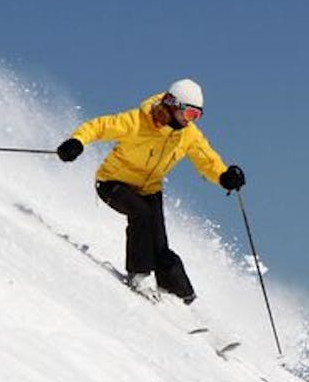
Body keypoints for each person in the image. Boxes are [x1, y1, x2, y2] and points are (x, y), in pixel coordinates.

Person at [56, 79, 245, 304]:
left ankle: (181, 295)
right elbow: (99, 127)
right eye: (190, 114)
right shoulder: (137, 121)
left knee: (160, 246)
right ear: (173, 104)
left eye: (196, 116)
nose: (190, 121)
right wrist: (76, 142)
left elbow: (207, 159)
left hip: (149, 189)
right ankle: (139, 274)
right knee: (141, 215)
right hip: (112, 183)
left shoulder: (188, 135)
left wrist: (224, 176)